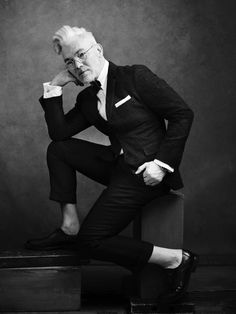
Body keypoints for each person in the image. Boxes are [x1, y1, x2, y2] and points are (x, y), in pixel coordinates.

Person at [26, 25, 198, 301]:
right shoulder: (87, 98)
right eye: (70, 61)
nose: (78, 65)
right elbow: (59, 133)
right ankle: (69, 226)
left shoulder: (135, 77)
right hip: (118, 165)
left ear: (99, 50)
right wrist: (55, 86)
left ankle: (177, 259)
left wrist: (162, 164)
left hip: (145, 173)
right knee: (59, 150)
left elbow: (182, 114)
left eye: (81, 55)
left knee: (91, 242)